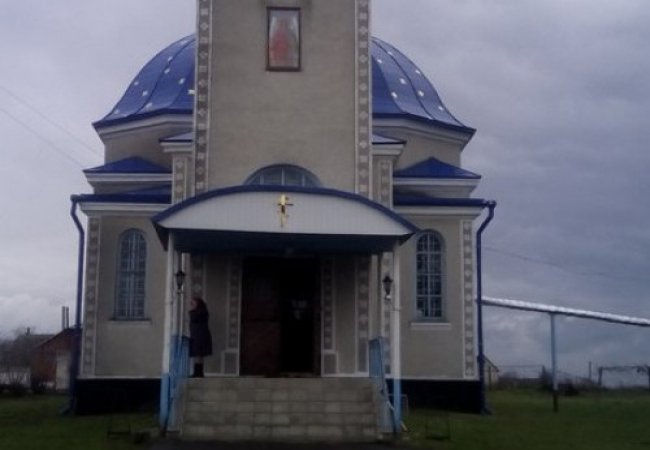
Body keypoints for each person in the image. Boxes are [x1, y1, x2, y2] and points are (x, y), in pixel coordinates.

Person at [188, 297, 212, 377]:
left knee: (198, 354)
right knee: (198, 355)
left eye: (193, 303)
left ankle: (198, 372)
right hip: (197, 335)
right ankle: (198, 372)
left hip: (199, 335)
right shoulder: (201, 312)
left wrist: (191, 311)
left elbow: (193, 318)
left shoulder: (200, 313)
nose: (191, 305)